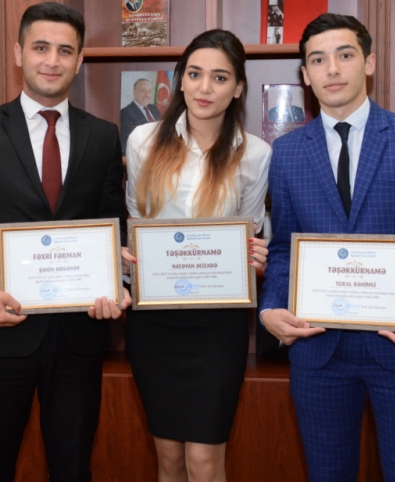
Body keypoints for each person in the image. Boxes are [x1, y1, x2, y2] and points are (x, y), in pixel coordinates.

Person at [259, 13, 395, 482]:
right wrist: (271, 307)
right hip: (318, 352)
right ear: (305, 74)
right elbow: (283, 248)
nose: (332, 69)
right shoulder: (287, 153)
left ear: (369, 63)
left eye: (345, 55)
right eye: (318, 60)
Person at [0, 1, 130, 482]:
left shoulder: (103, 136)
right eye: (40, 48)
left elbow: (113, 225)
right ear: (19, 53)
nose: (52, 61)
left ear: (79, 60)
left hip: (80, 333)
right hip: (0, 330)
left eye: (65, 50)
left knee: (73, 468)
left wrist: (118, 284)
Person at [124, 29, 271, 482]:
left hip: (217, 325)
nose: (205, 88)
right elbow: (137, 221)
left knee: (205, 463)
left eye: (220, 78)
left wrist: (254, 259)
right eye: (195, 74)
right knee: (168, 460)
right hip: (154, 321)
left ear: (238, 87)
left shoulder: (255, 153)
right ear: (180, 80)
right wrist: (129, 256)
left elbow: (249, 231)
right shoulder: (142, 141)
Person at [120, 77, 161, 152]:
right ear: (134, 92)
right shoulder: (125, 113)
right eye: (143, 91)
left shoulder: (154, 108)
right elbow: (131, 142)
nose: (147, 95)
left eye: (149, 91)